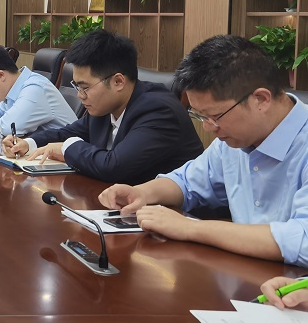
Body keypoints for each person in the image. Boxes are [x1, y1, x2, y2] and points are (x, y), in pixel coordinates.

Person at [99, 34, 308, 266]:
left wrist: (191, 228)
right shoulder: (233, 140)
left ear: (261, 99)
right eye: (200, 116)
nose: (208, 128)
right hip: (246, 271)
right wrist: (142, 193)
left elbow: (303, 240)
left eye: (215, 116)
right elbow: (187, 182)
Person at [4, 29, 203, 184]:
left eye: (85, 88)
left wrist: (67, 147)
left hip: (172, 214)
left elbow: (114, 166)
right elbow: (67, 132)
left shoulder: (158, 110)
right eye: (77, 87)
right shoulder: (105, 106)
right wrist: (28, 143)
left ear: (118, 82)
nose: (80, 95)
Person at [0, 43, 76, 138]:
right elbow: (1, 110)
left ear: (0, 75)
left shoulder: (34, 89)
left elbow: (9, 127)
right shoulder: (19, 86)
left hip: (65, 158)